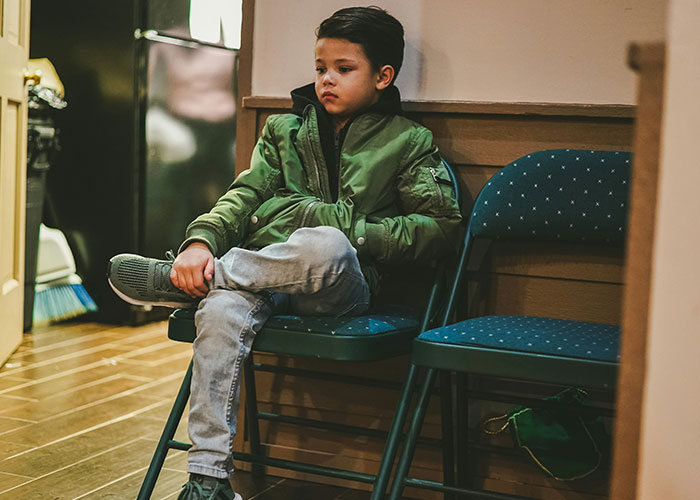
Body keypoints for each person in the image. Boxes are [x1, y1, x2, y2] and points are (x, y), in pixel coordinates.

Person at [108, 6, 462, 500]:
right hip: (260, 279)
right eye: (320, 68)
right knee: (220, 309)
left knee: (328, 243)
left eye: (344, 69)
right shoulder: (284, 131)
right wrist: (199, 242)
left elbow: (440, 230)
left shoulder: (409, 142)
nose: (326, 80)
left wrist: (337, 224)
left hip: (341, 285)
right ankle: (207, 481)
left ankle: (192, 279)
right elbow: (243, 197)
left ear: (384, 76)